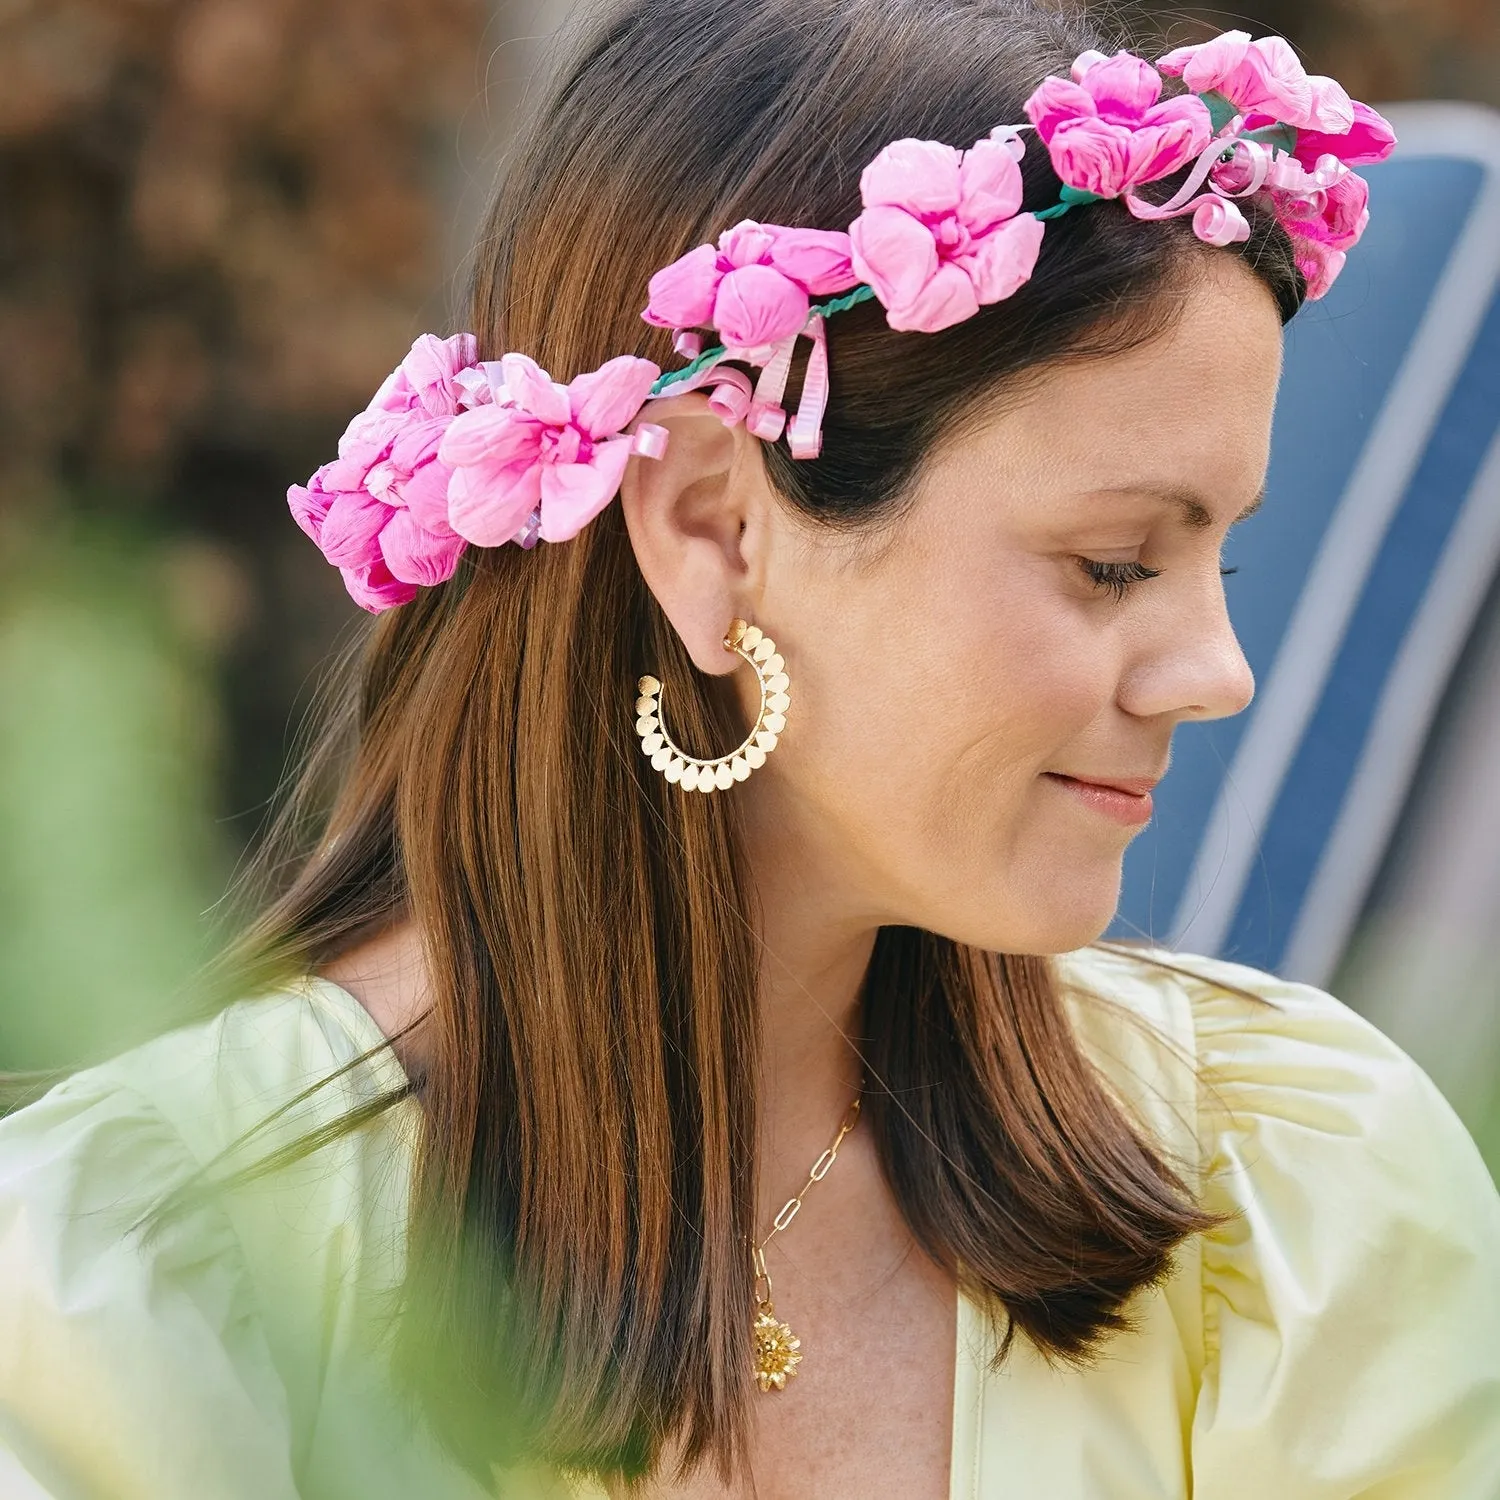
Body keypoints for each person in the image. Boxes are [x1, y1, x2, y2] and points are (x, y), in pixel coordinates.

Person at [2, 1, 1497, 1496]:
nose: (1219, 676)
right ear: (715, 529)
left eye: (1218, 565)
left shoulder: (1288, 1201)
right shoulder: (137, 1301)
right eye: (1113, 564)